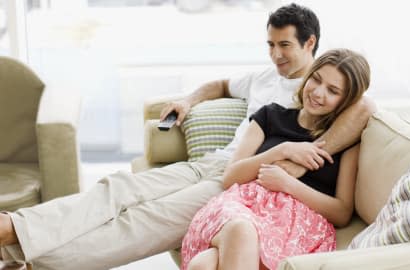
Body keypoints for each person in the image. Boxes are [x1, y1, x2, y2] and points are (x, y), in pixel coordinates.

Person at [0, 4, 375, 270]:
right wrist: (188, 99)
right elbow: (221, 85)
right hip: (214, 162)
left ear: (311, 44)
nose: (276, 54)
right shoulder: (266, 82)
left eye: (285, 46)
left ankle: (19, 251)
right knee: (119, 188)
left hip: (239, 184)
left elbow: (363, 108)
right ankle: (14, 226)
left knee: (145, 221)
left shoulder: (333, 95)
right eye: (271, 45)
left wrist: (294, 157)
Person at [182, 48, 369, 270]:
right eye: (316, 79)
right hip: (243, 207)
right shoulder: (270, 116)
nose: (318, 93)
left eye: (333, 90)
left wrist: (288, 184)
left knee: (203, 265)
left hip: (296, 227)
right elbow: (230, 177)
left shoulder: (345, 140)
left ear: (346, 100)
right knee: (241, 231)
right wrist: (282, 151)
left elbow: (342, 213)